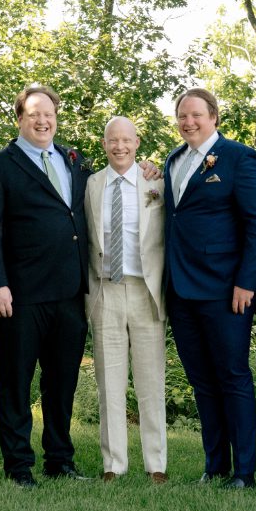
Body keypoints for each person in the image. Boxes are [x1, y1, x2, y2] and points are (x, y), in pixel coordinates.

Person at [0, 84, 93, 488]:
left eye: (49, 114)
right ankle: (18, 465)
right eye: (33, 114)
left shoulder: (74, 162)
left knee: (61, 383)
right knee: (16, 382)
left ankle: (60, 460)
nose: (43, 121)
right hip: (19, 295)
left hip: (70, 293)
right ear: (19, 118)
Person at [163, 87, 256, 489]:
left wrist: (247, 282)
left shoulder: (239, 157)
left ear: (214, 118)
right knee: (201, 381)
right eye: (182, 116)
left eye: (196, 115)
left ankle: (244, 472)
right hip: (180, 289)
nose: (188, 122)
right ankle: (215, 467)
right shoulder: (173, 160)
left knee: (233, 377)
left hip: (226, 290)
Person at [85, 117, 168, 484]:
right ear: (104, 145)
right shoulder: (91, 184)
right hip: (106, 290)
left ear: (137, 143)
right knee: (109, 383)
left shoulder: (156, 183)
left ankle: (156, 465)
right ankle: (113, 464)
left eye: (126, 140)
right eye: (112, 140)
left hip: (146, 291)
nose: (119, 146)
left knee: (151, 382)